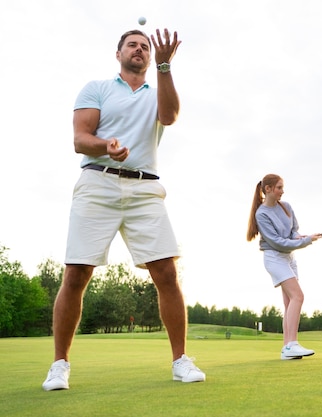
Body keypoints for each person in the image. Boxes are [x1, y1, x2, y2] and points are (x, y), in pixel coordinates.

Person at [42, 28, 205, 391]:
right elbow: (79, 139)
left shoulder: (158, 87)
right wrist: (106, 146)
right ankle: (59, 365)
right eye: (132, 44)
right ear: (118, 53)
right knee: (76, 273)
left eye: (145, 47)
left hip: (145, 187)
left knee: (166, 272)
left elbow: (170, 116)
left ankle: (180, 360)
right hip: (97, 182)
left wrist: (165, 68)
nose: (139, 49)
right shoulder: (97, 88)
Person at [247, 174, 322, 360]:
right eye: (279, 187)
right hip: (274, 258)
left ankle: (286, 348)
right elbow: (278, 242)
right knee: (298, 296)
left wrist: (298, 236)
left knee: (289, 302)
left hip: (289, 258)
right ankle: (292, 345)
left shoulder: (286, 207)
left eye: (282, 187)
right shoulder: (261, 214)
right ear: (268, 189)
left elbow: (293, 230)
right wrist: (305, 241)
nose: (282, 191)